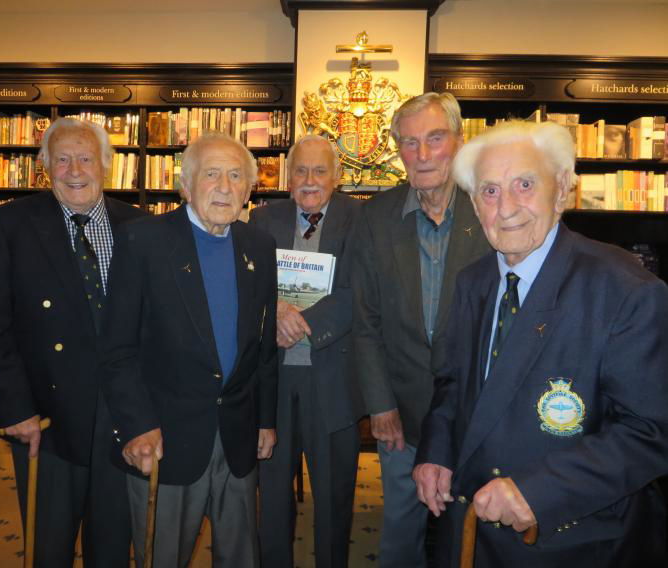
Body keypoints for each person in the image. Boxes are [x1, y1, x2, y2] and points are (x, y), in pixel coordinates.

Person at [413, 120, 668, 567]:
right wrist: (436, 452)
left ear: (563, 189)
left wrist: (538, 490)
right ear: (474, 204)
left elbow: (650, 432)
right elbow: (454, 383)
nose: (506, 207)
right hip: (471, 532)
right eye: (489, 191)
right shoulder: (473, 281)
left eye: (524, 184)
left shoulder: (626, 290)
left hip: (568, 539)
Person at [100, 132, 278, 568]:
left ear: (249, 190)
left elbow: (264, 345)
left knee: (241, 557)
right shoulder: (143, 242)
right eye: (211, 174)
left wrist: (266, 421)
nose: (224, 186)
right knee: (163, 557)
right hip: (164, 438)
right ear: (185, 185)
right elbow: (117, 348)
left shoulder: (259, 245)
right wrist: (137, 425)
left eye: (236, 176)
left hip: (237, 436)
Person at [0, 117, 145, 566]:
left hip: (120, 419)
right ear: (45, 165)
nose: (75, 169)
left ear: (106, 165)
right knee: (48, 547)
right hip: (46, 420)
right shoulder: (11, 222)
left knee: (112, 546)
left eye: (86, 158)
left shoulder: (140, 225)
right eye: (63, 159)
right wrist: (16, 409)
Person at [351, 92, 490, 567]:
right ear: (397, 148)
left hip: (475, 409)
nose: (423, 154)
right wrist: (379, 403)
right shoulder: (375, 216)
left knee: (468, 533)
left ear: (458, 139)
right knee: (400, 534)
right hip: (401, 413)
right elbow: (364, 319)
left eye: (435, 138)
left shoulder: (489, 209)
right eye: (409, 143)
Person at [250, 135, 364, 568]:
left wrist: (303, 322)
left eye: (320, 171)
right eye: (301, 170)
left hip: (332, 378)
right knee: (273, 493)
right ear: (287, 175)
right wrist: (273, 309)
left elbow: (359, 290)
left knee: (335, 494)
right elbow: (249, 283)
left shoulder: (361, 219)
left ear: (336, 176)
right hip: (274, 379)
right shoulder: (263, 219)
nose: (310, 180)